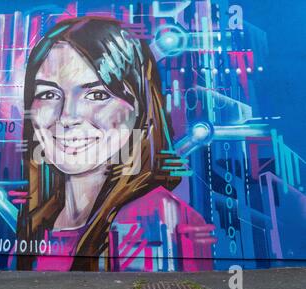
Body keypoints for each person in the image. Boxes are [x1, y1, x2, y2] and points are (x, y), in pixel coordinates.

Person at [16, 16, 212, 272]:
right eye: (49, 94)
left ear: (139, 109)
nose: (67, 117)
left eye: (97, 94)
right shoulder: (37, 221)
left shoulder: (159, 219)